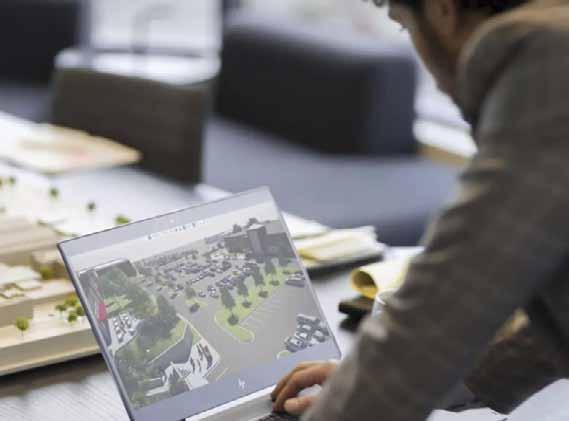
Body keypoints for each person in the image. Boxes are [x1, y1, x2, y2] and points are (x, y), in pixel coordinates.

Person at [271, 0, 569, 419]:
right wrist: (365, 385)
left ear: (442, 9)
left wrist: (371, 391)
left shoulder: (546, 63)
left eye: (403, 26)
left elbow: (440, 309)